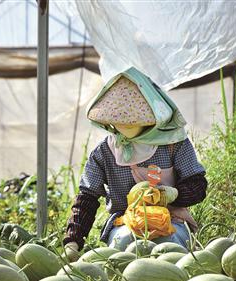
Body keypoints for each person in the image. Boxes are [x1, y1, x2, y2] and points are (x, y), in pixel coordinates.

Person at [63, 67, 207, 252]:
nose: (126, 124)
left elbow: (197, 184)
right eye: (120, 120)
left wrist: (173, 194)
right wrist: (73, 240)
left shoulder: (174, 144)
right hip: (125, 222)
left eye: (133, 120)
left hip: (171, 217)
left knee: (169, 244)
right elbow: (87, 197)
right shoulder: (104, 152)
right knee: (124, 244)